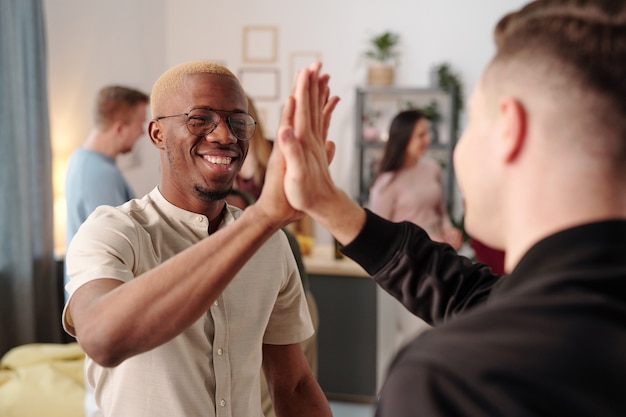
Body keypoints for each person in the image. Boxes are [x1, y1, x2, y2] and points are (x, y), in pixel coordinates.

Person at [275, 1, 626, 415]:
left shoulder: (452, 383)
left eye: (473, 121)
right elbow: (479, 297)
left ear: (510, 128)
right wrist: (327, 202)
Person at [62, 60, 337, 417]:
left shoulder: (271, 245)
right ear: (157, 133)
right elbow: (101, 339)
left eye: (237, 122)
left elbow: (294, 385)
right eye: (200, 119)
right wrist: (262, 218)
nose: (224, 136)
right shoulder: (114, 231)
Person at [369, 109, 462, 349]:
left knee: (447, 332)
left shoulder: (432, 169)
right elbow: (378, 235)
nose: (427, 140)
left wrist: (450, 230)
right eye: (420, 135)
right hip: (413, 266)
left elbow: (442, 213)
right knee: (418, 337)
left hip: (444, 259)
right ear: (404, 137)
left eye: (427, 134)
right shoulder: (386, 183)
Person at [64, 85, 149, 289]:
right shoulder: (102, 175)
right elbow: (120, 248)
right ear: (120, 128)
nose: (142, 132)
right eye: (140, 124)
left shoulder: (79, 159)